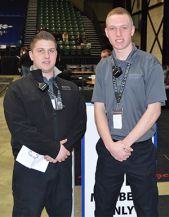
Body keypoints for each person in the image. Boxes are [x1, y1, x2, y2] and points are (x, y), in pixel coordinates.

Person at [92, 7, 166, 217]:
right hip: (109, 149)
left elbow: (154, 110)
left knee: (147, 209)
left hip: (139, 150)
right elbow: (99, 108)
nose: (118, 34)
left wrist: (124, 144)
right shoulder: (103, 67)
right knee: (103, 208)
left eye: (123, 28)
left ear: (132, 30)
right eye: (113, 29)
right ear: (106, 32)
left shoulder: (149, 63)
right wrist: (110, 145)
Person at [3, 31, 86, 217]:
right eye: (41, 51)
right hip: (30, 170)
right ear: (31, 55)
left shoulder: (70, 88)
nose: (47, 56)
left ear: (57, 54)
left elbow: (80, 122)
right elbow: (20, 129)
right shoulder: (17, 90)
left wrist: (65, 148)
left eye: (51, 51)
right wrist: (53, 148)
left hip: (62, 168)